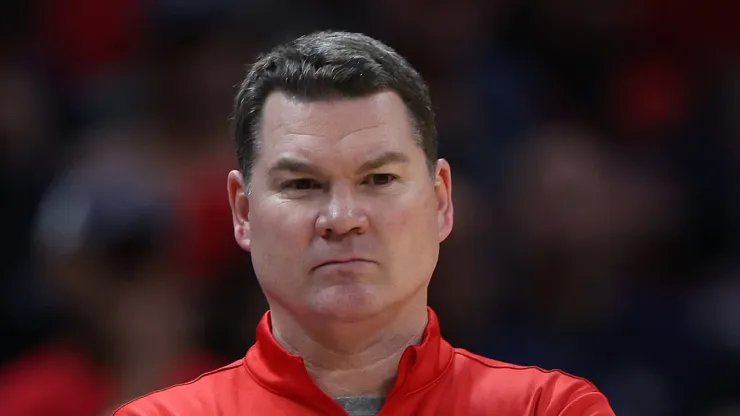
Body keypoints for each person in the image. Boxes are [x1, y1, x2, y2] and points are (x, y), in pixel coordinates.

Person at [113, 30, 615, 416]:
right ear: (243, 212)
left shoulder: (548, 408)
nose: (342, 219)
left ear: (441, 201)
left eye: (378, 179)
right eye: (303, 185)